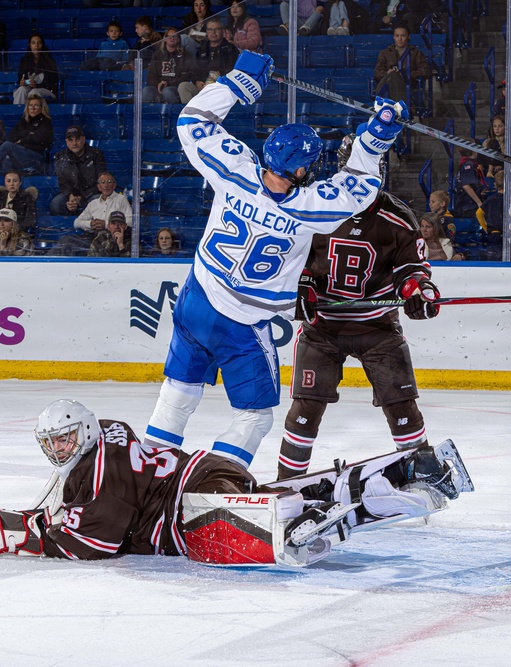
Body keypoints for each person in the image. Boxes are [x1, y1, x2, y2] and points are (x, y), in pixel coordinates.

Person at [143, 51, 408, 471]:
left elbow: (192, 123)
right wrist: (376, 136)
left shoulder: (233, 171)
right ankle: (213, 485)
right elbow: (359, 187)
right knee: (254, 417)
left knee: (178, 394)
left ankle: (150, 473)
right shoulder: (309, 208)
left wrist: (238, 81)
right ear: (302, 170)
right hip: (242, 325)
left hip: (195, 302)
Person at [0, 399, 471, 566]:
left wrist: (25, 534)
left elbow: (101, 539)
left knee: (282, 530)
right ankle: (411, 471)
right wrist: (34, 517)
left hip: (191, 509)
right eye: (52, 444)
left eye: (66, 440)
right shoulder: (111, 434)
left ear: (85, 433)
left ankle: (381, 498)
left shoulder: (100, 473)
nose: (59, 451)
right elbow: (92, 504)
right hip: (204, 472)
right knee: (280, 498)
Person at [278, 135, 442, 479]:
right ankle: (288, 484)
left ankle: (424, 477)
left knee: (401, 407)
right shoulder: (314, 204)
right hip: (323, 328)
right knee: (306, 408)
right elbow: (292, 255)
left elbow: (411, 268)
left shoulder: (398, 217)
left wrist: (417, 289)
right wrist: (301, 284)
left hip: (377, 327)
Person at [54, 172, 132, 256]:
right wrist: (90, 224)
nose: (106, 185)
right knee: (66, 240)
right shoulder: (93, 203)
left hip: (110, 239)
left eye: (109, 181)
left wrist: (106, 225)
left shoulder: (121, 199)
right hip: (92, 238)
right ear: (99, 187)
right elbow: (76, 222)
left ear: (114, 185)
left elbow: (131, 221)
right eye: (103, 182)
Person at [0, 95, 53, 176]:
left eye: (36, 105)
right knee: (7, 159)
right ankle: (1, 186)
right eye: (30, 105)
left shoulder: (46, 122)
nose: (33, 108)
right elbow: (11, 137)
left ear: (41, 108)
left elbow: (40, 139)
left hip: (36, 157)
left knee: (7, 146)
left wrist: (22, 139)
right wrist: (28, 134)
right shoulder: (24, 121)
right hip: (20, 154)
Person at [50, 125, 107, 217]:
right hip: (71, 194)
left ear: (83, 139)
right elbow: (63, 182)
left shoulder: (96, 154)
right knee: (56, 204)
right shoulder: (60, 156)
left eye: (77, 139)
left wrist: (82, 197)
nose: (74, 143)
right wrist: (71, 196)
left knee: (98, 202)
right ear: (66, 142)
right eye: (71, 140)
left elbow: (101, 180)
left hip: (91, 193)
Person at [373, 24, 431, 106]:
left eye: (403, 36)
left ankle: (385, 106)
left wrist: (406, 74)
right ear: (394, 37)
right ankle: (401, 108)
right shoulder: (385, 53)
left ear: (408, 37)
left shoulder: (416, 53)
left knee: (395, 77)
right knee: (393, 76)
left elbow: (425, 71)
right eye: (397, 36)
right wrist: (387, 73)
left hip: (407, 84)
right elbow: (377, 72)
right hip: (387, 83)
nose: (400, 39)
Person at [143, 28, 203, 105]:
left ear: (179, 39)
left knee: (167, 92)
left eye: (175, 36)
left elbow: (185, 76)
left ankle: (173, 115)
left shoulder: (185, 55)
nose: (172, 38)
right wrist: (158, 84)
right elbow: (151, 76)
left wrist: (168, 83)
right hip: (158, 85)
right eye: (169, 36)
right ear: (165, 39)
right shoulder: (157, 55)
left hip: (175, 86)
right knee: (146, 91)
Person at [14, 34, 59, 106]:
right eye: (33, 43)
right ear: (30, 45)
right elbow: (21, 78)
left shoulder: (49, 60)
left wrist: (37, 85)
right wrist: (23, 82)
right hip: (29, 89)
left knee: (34, 92)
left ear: (42, 45)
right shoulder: (24, 60)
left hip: (47, 90)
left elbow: (53, 82)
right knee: (21, 90)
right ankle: (18, 114)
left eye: (39, 43)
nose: (36, 45)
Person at [195, 17, 239, 87]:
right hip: (202, 85)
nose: (213, 32)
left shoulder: (230, 49)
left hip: (221, 85)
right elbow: (195, 69)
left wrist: (220, 74)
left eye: (217, 29)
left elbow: (233, 70)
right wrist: (197, 81)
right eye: (210, 29)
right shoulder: (202, 49)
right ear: (206, 32)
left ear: (222, 31)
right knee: (184, 86)